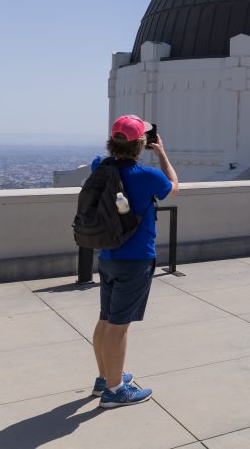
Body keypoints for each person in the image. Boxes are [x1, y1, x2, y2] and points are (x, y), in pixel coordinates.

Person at [91, 115, 178, 408]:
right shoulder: (147, 176)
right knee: (119, 326)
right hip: (136, 257)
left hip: (107, 255)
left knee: (106, 320)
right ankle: (115, 391)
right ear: (142, 144)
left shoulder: (98, 168)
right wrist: (162, 152)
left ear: (111, 141)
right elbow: (173, 187)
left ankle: (105, 378)